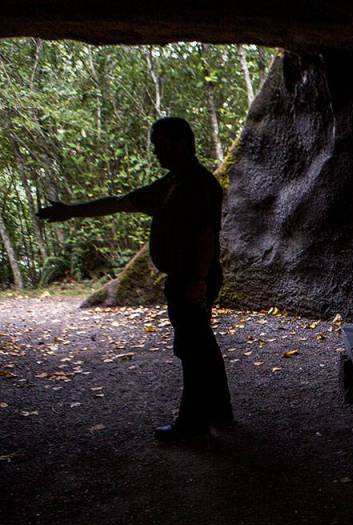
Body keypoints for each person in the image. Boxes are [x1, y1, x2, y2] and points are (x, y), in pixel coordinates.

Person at [38, 117, 233, 442]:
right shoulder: (173, 183)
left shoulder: (197, 185)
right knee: (202, 345)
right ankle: (219, 409)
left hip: (193, 278)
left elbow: (205, 234)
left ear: (180, 143)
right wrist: (72, 211)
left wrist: (197, 280)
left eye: (160, 145)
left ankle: (192, 424)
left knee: (191, 347)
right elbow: (120, 203)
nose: (156, 152)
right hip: (189, 277)